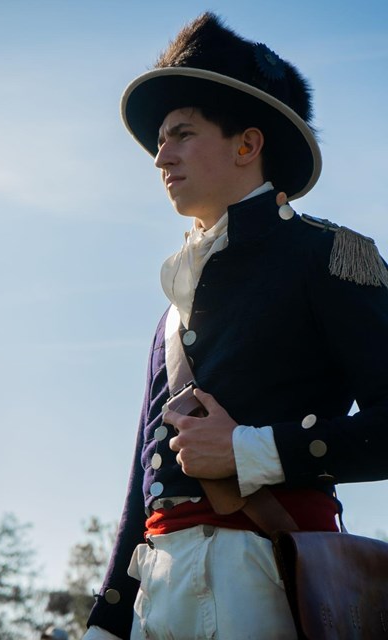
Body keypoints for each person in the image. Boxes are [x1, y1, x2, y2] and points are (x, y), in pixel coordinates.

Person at [84, 12, 388, 640]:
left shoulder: (331, 256)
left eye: (181, 134)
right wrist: (107, 622)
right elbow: (143, 484)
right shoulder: (173, 308)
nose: (160, 155)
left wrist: (254, 450)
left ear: (247, 145)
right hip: (157, 584)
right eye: (160, 141)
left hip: (266, 573)